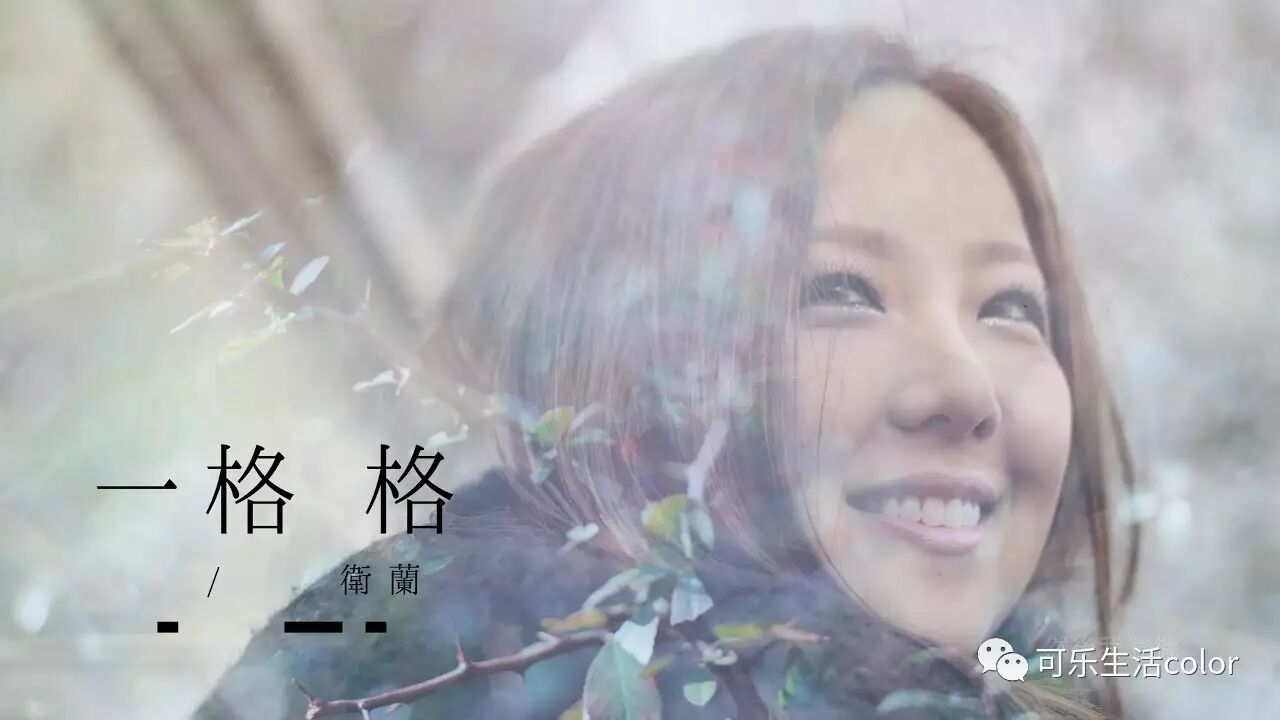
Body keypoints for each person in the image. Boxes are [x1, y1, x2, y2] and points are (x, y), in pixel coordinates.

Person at [192, 26, 1141, 719]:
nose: (968, 391)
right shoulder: (395, 653)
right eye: (841, 289)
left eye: (1010, 308)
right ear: (631, 348)